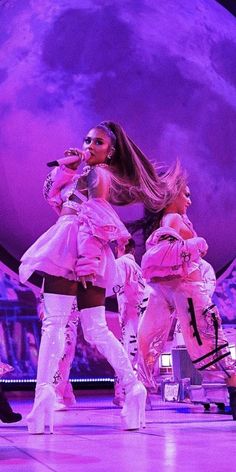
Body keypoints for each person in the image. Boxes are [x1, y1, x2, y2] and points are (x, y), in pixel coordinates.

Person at [19, 121, 168, 433]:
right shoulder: (86, 172)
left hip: (75, 249)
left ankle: (42, 398)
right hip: (83, 250)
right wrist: (66, 170)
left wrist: (87, 263)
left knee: (55, 324)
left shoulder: (96, 175)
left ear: (110, 151)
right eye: (87, 139)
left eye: (97, 142)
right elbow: (56, 200)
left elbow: (97, 217)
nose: (89, 145)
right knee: (95, 329)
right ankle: (133, 386)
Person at [138, 162, 236, 419]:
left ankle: (138, 394)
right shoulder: (172, 219)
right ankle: (138, 391)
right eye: (186, 195)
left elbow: (167, 255)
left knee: (205, 348)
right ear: (173, 195)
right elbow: (164, 255)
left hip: (183, 289)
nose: (190, 201)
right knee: (152, 341)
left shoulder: (175, 220)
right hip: (175, 288)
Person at [113, 238, 146, 406]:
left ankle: (124, 393)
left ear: (122, 247)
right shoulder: (137, 267)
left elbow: (114, 286)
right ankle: (130, 390)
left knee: (127, 352)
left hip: (130, 313)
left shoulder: (121, 263)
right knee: (134, 352)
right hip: (139, 314)